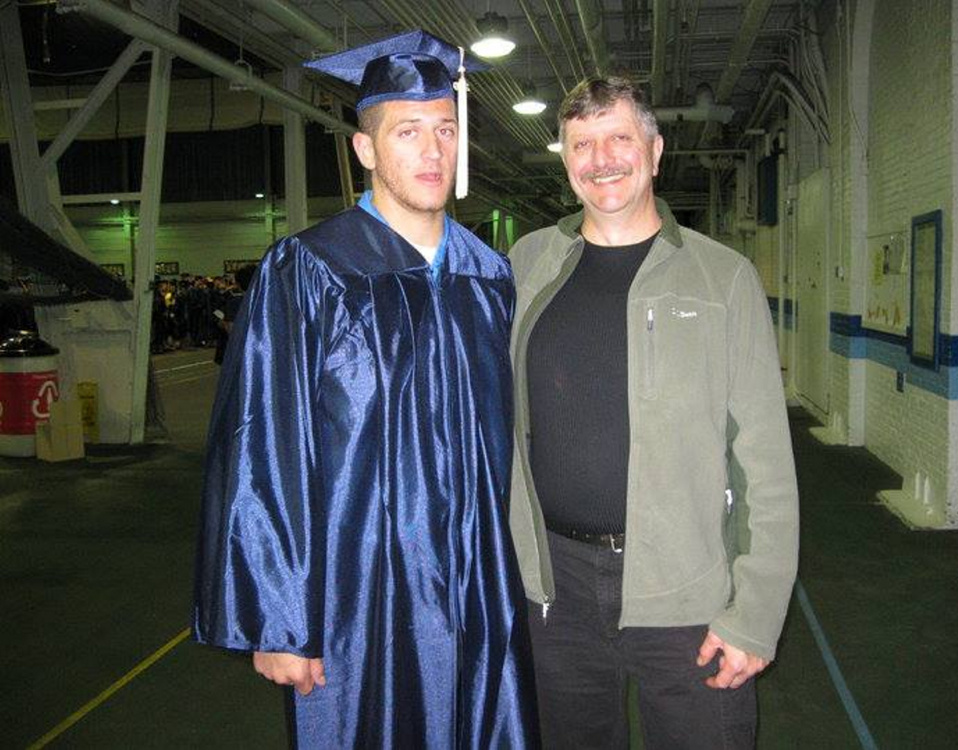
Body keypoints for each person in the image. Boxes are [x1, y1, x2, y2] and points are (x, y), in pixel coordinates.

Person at [193, 30, 539, 749]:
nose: (433, 150)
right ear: (366, 150)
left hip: (477, 581)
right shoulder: (309, 269)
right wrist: (280, 619)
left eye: (445, 128)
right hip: (358, 596)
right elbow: (265, 442)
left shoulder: (489, 276)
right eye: (407, 131)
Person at [506, 76, 799, 749]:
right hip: (556, 588)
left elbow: (765, 462)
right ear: (565, 158)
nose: (602, 157)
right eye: (583, 143)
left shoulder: (721, 277)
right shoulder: (529, 265)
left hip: (687, 586)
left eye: (619, 138)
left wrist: (753, 613)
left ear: (656, 150)